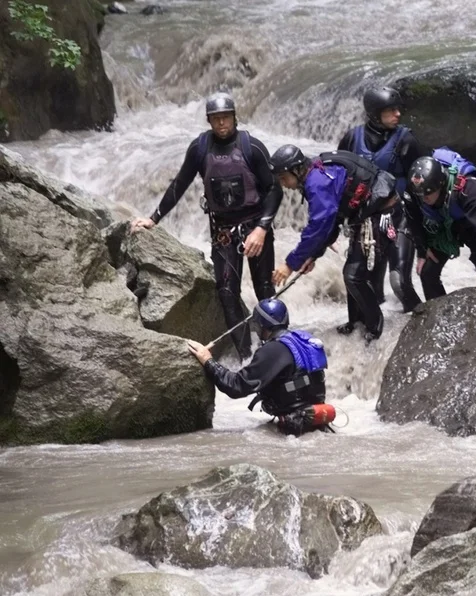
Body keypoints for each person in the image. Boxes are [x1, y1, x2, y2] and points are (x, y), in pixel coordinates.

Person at [132, 93, 282, 358]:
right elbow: (180, 184)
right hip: (223, 231)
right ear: (209, 121)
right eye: (216, 119)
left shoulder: (252, 147)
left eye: (225, 117)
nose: (221, 123)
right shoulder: (200, 149)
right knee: (226, 292)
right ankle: (247, 355)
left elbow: (274, 190)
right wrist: (153, 218)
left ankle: (276, 349)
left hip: (255, 226)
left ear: (235, 117)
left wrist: (262, 229)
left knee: (265, 291)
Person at [268, 144, 399, 342]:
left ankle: (375, 327)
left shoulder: (317, 182)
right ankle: (355, 322)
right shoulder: (316, 172)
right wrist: (312, 255)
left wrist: (290, 264)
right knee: (352, 273)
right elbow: (331, 222)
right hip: (365, 213)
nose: (283, 184)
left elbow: (319, 226)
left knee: (354, 275)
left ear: (297, 170)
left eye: (284, 178)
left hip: (382, 212)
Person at [337, 87, 430, 319]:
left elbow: (421, 183)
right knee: (365, 283)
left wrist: (423, 240)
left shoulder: (406, 139)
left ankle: (421, 323)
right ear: (375, 114)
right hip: (367, 219)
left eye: (398, 109)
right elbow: (340, 180)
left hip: (400, 216)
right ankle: (370, 331)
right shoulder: (351, 138)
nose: (397, 114)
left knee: (398, 280)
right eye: (391, 110)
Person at [185, 298, 337, 436]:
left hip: (293, 429)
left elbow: (236, 386)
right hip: (317, 421)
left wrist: (208, 360)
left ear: (262, 325)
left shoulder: (273, 350)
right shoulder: (304, 340)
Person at [404, 149, 476, 299]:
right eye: (420, 195)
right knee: (427, 273)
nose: (423, 199)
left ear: (441, 184)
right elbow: (414, 220)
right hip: (443, 225)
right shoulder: (415, 190)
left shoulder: (470, 189)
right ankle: (437, 314)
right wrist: (422, 250)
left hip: (472, 225)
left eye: (428, 194)